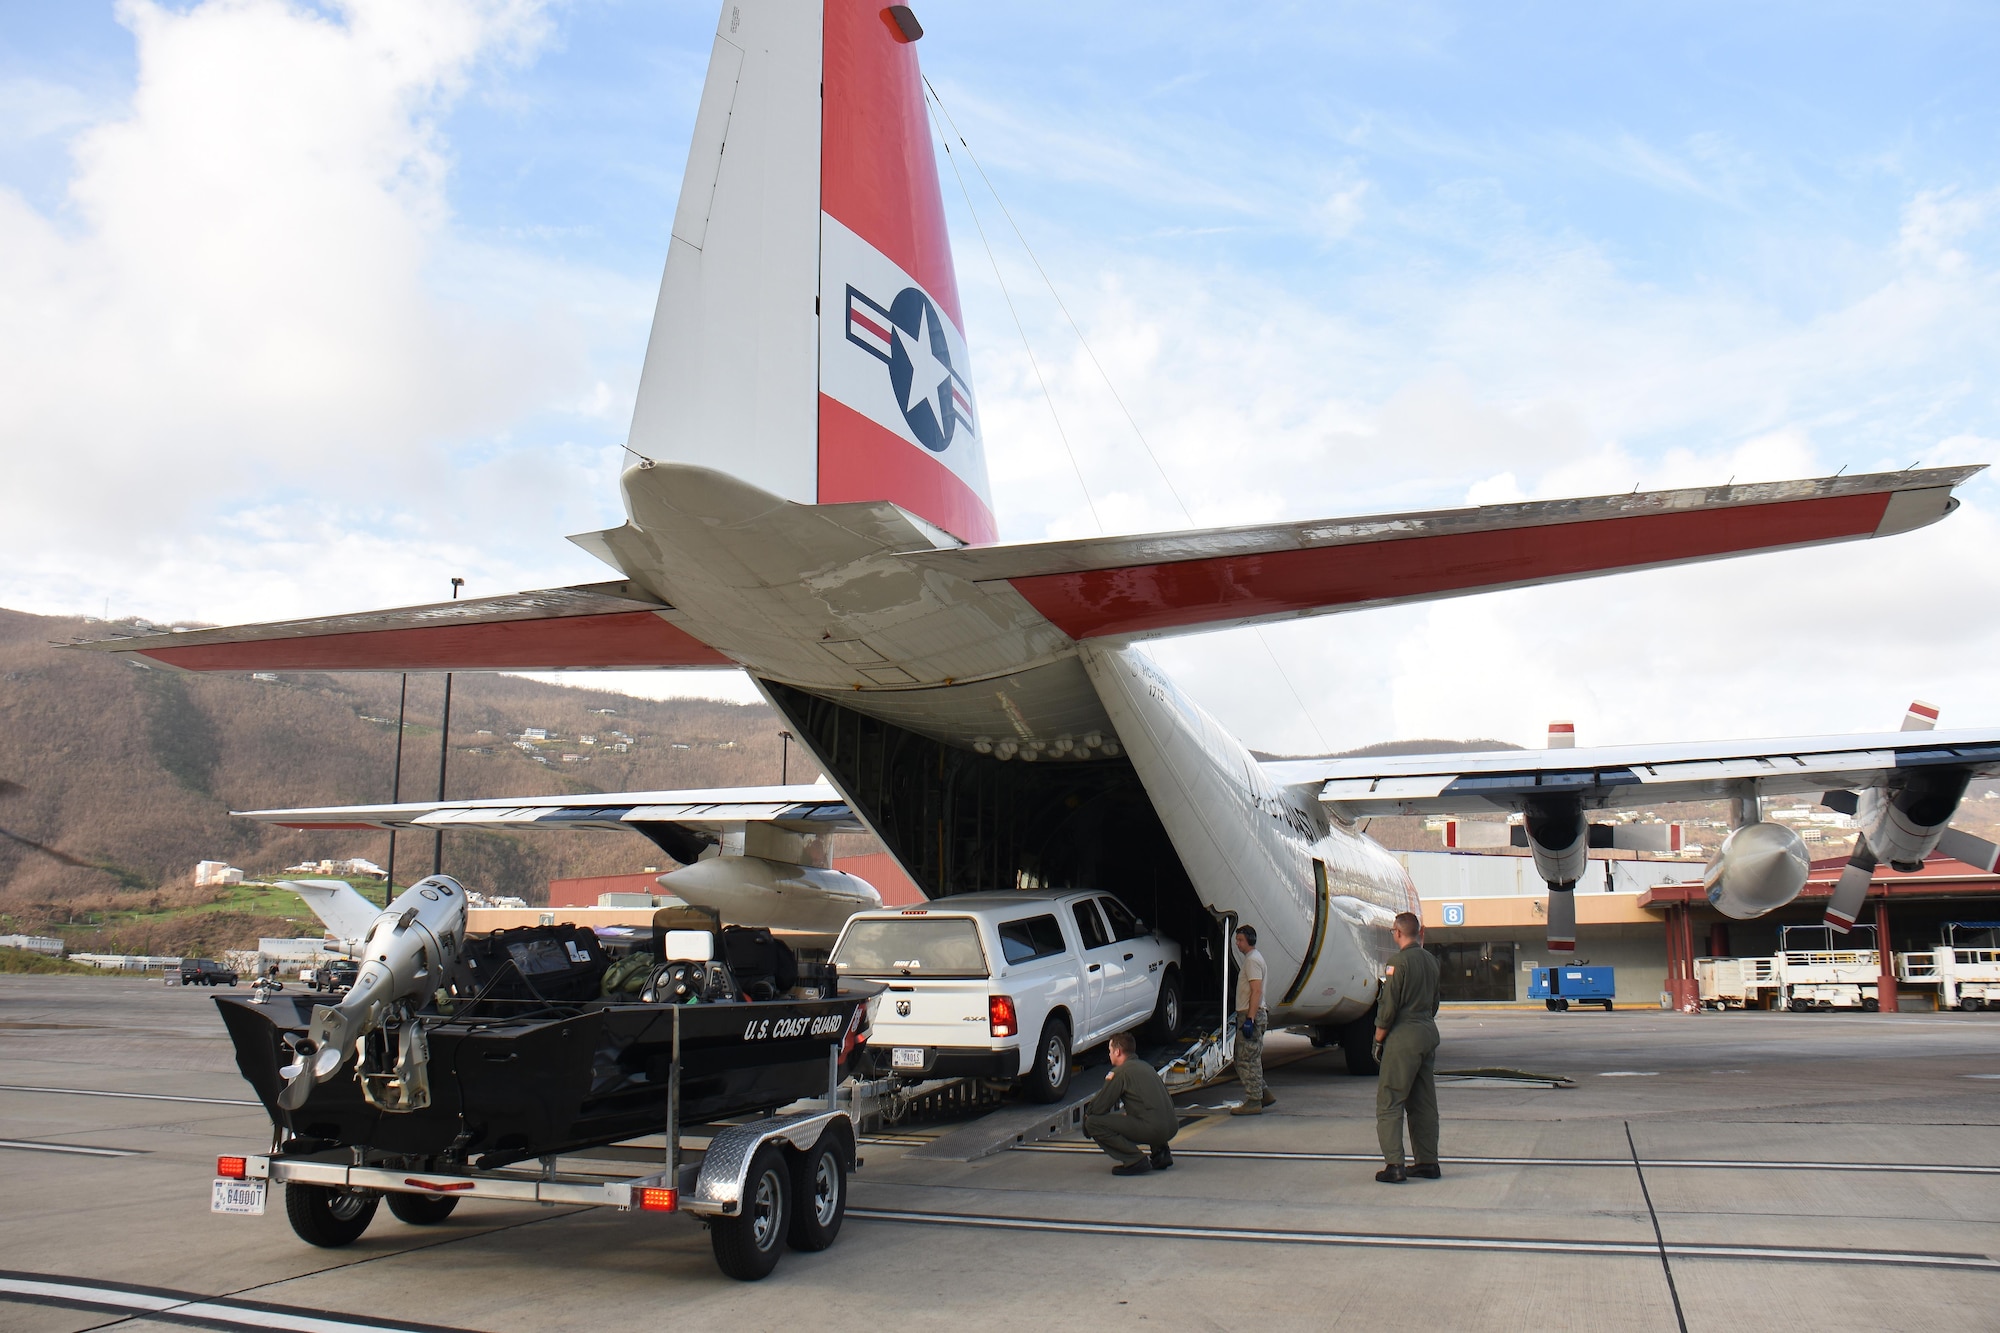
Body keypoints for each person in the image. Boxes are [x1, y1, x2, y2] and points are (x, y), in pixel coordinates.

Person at [1372, 910, 1441, 1183]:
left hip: (1404, 1036)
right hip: (1427, 1031)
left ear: (1398, 932)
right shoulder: (1431, 961)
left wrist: (1378, 1039)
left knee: (1390, 1101)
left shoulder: (1397, 963)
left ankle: (1395, 1166)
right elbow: (1434, 1003)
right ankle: (1427, 1162)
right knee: (1423, 1102)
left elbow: (1388, 1008)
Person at [1083, 1030, 1178, 1175]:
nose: (1109, 1054)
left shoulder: (1121, 1072)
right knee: (1145, 1112)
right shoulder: (1147, 1067)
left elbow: (1100, 1107)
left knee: (1093, 1123)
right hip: (1171, 1127)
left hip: (1154, 1129)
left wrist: (1086, 1120)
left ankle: (1134, 1160)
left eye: (1110, 1050)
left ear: (1118, 1052)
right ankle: (1161, 1153)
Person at [1229, 924, 1275, 1115]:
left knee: (1247, 1059)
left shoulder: (1252, 961)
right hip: (1252, 1013)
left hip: (1251, 1014)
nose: (1237, 944)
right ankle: (1263, 1093)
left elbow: (1256, 990)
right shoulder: (1254, 959)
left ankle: (1254, 1100)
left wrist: (1249, 1018)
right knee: (1246, 1056)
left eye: (1240, 940)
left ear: (1249, 940)